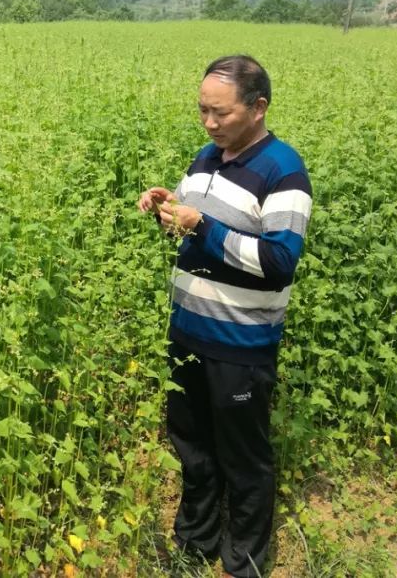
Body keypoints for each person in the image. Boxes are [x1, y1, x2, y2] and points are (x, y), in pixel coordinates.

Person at [137, 55, 312, 578]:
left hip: (240, 346)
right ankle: (193, 545)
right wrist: (168, 209)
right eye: (202, 112)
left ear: (258, 108)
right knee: (191, 446)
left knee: (243, 456)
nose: (210, 124)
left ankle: (245, 563)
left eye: (221, 113)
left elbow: (280, 262)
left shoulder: (284, 172)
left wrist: (203, 225)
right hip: (187, 334)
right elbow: (193, 238)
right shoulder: (204, 158)